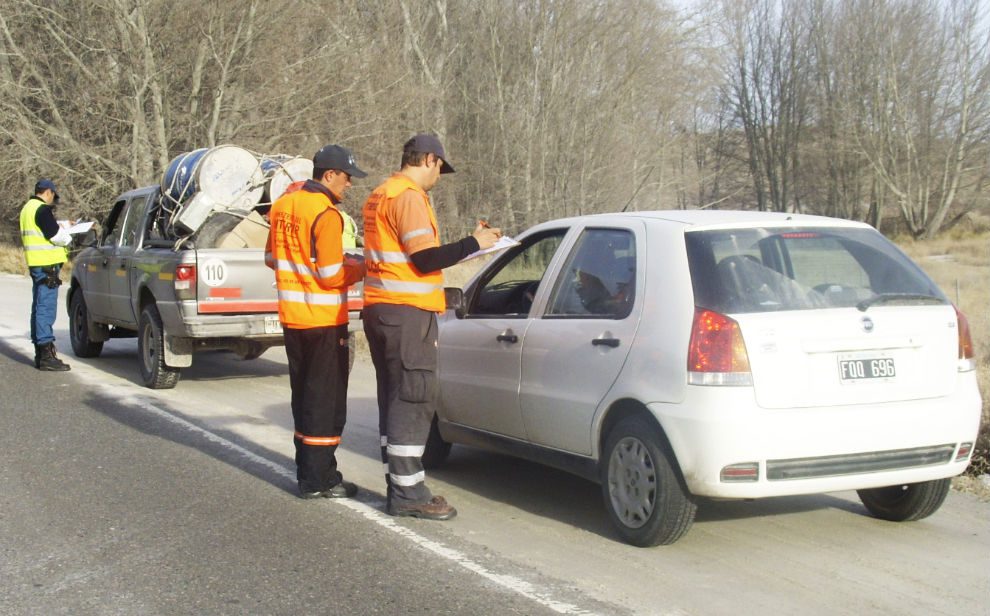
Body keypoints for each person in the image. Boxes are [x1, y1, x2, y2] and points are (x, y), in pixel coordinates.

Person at [362, 133, 501, 520]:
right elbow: (424, 259)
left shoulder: (381, 193)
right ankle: (409, 495)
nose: (439, 177)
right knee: (414, 397)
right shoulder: (408, 196)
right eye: (440, 168)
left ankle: (400, 484)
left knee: (394, 396)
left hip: (382, 309)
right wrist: (474, 243)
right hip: (407, 313)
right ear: (429, 160)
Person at [265, 144, 367, 499]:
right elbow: (329, 274)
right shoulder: (326, 214)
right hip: (323, 320)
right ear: (329, 175)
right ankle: (320, 479)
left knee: (304, 395)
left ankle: (306, 471)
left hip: (293, 319)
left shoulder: (282, 206)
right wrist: (359, 267)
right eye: (347, 177)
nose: (350, 184)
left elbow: (270, 258)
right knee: (326, 400)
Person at [19, 179, 72, 371]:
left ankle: (40, 352)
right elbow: (55, 235)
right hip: (47, 265)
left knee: (38, 307)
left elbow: (43, 229)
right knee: (45, 308)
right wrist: (69, 235)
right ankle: (46, 355)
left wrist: (63, 224)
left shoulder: (28, 208)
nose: (53, 200)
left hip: (37, 264)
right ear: (48, 192)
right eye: (53, 196)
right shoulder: (42, 209)